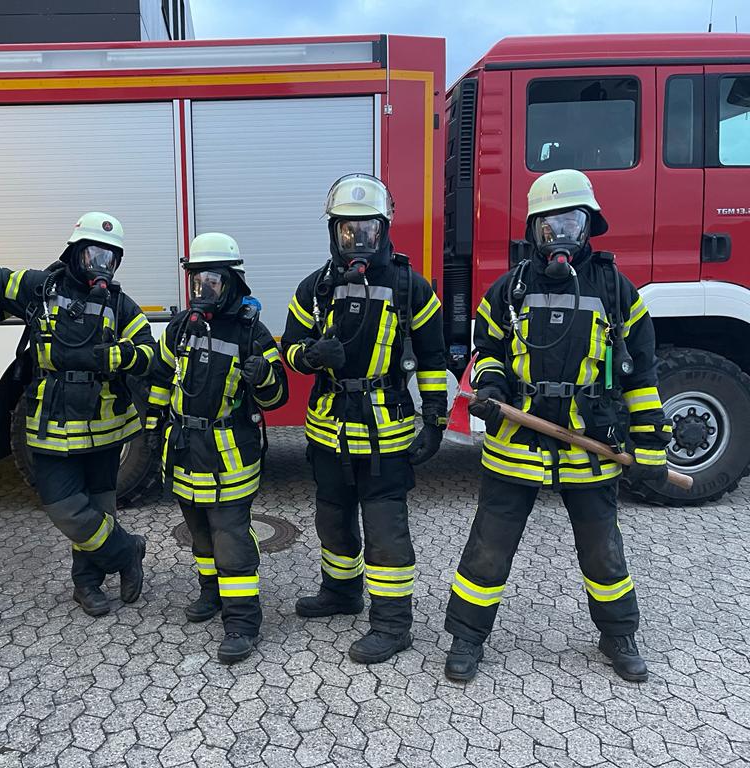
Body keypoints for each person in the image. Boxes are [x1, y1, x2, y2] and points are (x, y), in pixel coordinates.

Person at [444, 169, 671, 683]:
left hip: (590, 446)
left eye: (571, 223)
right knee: (488, 547)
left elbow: (642, 376)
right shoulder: (508, 290)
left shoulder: (617, 291)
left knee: (602, 550)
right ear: (533, 230)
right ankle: (466, 637)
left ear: (589, 226)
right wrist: (492, 387)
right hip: (516, 445)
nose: (560, 236)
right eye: (549, 226)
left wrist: (652, 451)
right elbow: (488, 352)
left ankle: (618, 634)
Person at [281, 174, 448, 665]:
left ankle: (393, 624)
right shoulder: (314, 288)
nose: (357, 240)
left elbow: (433, 358)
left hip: (385, 433)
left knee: (385, 529)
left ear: (384, 229)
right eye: (347, 230)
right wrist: (311, 356)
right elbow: (288, 348)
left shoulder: (410, 287)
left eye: (367, 229)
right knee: (331, 517)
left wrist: (434, 419)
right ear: (334, 231)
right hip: (329, 429)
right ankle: (341, 591)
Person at [0, 212, 151, 617]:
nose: (102, 267)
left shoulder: (119, 303)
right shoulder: (40, 288)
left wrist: (116, 356)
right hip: (51, 424)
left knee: (101, 508)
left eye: (110, 259)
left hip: (105, 428)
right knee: (64, 507)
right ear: (75, 252)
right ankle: (127, 551)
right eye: (94, 255)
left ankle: (87, 584)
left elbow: (148, 351)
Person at [145, 233, 288, 664]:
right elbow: (160, 377)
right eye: (197, 281)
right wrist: (151, 428)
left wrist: (263, 375)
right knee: (200, 532)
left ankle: (242, 621)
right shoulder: (179, 328)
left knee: (230, 538)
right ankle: (212, 593)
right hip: (185, 451)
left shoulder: (251, 332)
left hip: (230, 456)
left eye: (212, 281)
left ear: (231, 282)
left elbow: (277, 397)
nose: (202, 290)